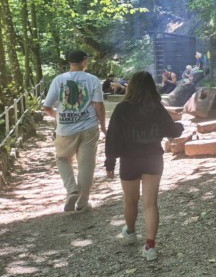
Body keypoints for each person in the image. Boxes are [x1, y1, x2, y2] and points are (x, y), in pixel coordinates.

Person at [104, 71, 184, 261]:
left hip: (129, 160)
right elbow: (172, 129)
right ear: (151, 87)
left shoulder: (122, 108)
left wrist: (110, 162)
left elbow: (112, 137)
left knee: (130, 201)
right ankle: (150, 247)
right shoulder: (156, 107)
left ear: (131, 87)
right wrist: (180, 128)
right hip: (153, 159)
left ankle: (130, 232)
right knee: (150, 204)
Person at [42, 50, 106, 213]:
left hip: (65, 128)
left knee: (63, 159)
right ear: (84, 61)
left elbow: (46, 107)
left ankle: (72, 190)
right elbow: (99, 105)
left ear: (69, 62)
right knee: (86, 166)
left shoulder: (59, 80)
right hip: (89, 127)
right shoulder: (92, 79)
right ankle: (82, 203)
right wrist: (104, 126)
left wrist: (59, 116)